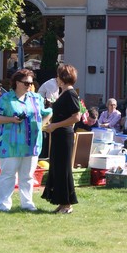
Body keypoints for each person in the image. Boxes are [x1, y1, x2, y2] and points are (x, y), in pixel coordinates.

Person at [0, 68, 51, 212]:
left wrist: (42, 125)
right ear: (17, 83)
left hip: (31, 143)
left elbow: (48, 112)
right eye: (26, 83)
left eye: (31, 83)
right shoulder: (5, 99)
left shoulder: (36, 98)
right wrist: (11, 119)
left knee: (28, 176)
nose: (29, 86)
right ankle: (3, 205)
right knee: (8, 175)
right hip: (10, 143)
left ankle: (27, 203)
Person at [42, 64, 82, 214]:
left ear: (63, 78)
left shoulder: (70, 94)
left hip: (64, 135)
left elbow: (76, 117)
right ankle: (61, 201)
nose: (56, 79)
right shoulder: (63, 93)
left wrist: (56, 125)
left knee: (63, 169)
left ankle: (67, 204)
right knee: (57, 168)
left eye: (58, 76)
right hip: (59, 135)